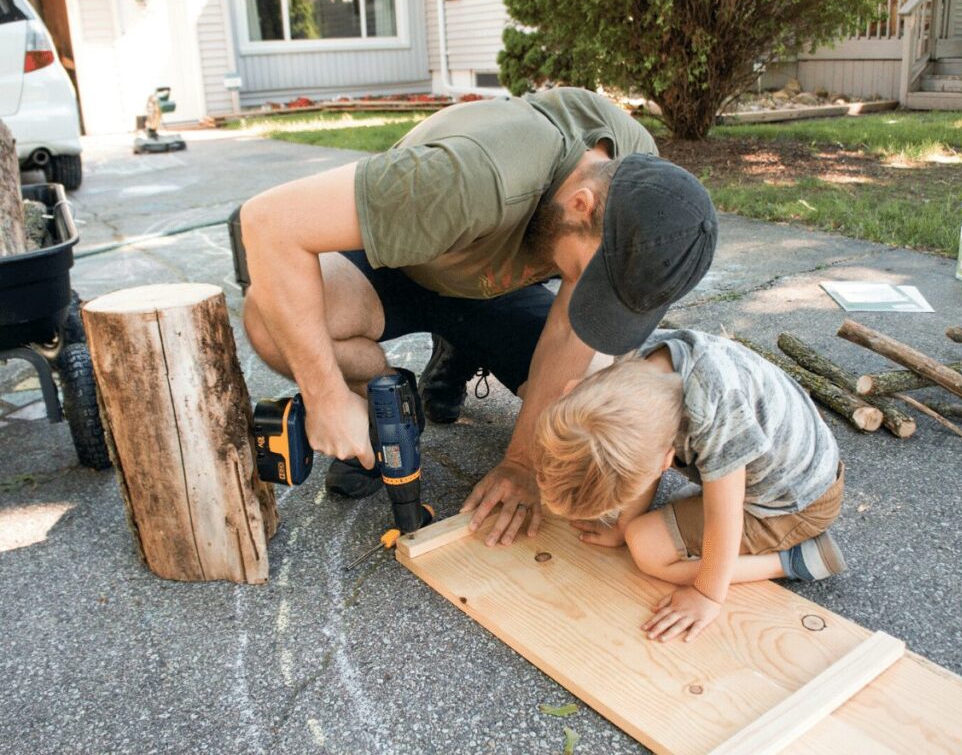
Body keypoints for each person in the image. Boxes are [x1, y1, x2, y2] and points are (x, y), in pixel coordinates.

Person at [238, 88, 717, 546]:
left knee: (592, 403)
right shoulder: (467, 177)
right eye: (598, 287)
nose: (595, 301)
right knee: (269, 321)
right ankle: (380, 398)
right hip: (402, 265)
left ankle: (462, 342)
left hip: (497, 285)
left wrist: (523, 462)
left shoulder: (641, 184)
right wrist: (325, 397)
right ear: (580, 204)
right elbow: (267, 222)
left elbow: (572, 323)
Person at [535, 330, 847, 643]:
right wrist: (622, 524)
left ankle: (794, 561)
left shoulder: (717, 414)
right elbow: (642, 451)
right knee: (635, 532)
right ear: (572, 391)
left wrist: (707, 595)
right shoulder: (635, 370)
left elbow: (722, 517)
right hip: (763, 478)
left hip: (794, 506)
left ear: (666, 459)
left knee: (647, 550)